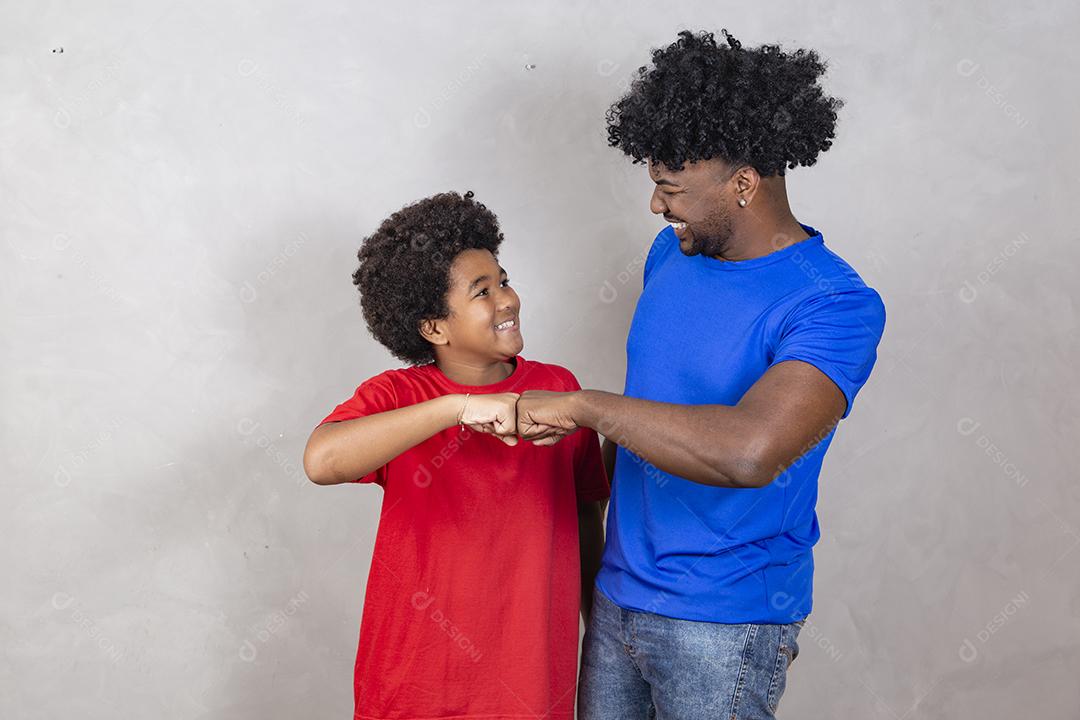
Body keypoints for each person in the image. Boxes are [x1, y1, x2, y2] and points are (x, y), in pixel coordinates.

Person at [513, 30, 887, 719]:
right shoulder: (670, 256)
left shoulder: (833, 303)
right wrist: (599, 575)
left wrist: (583, 405)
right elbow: (646, 410)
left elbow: (748, 451)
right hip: (618, 601)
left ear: (744, 184)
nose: (657, 207)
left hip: (724, 625)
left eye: (669, 188)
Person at [303, 190, 609, 720]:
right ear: (434, 328)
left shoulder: (558, 390)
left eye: (504, 281)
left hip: (530, 681)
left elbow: (586, 516)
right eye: (482, 292)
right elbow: (322, 461)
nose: (507, 300)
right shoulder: (399, 397)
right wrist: (455, 409)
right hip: (415, 683)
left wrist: (598, 629)